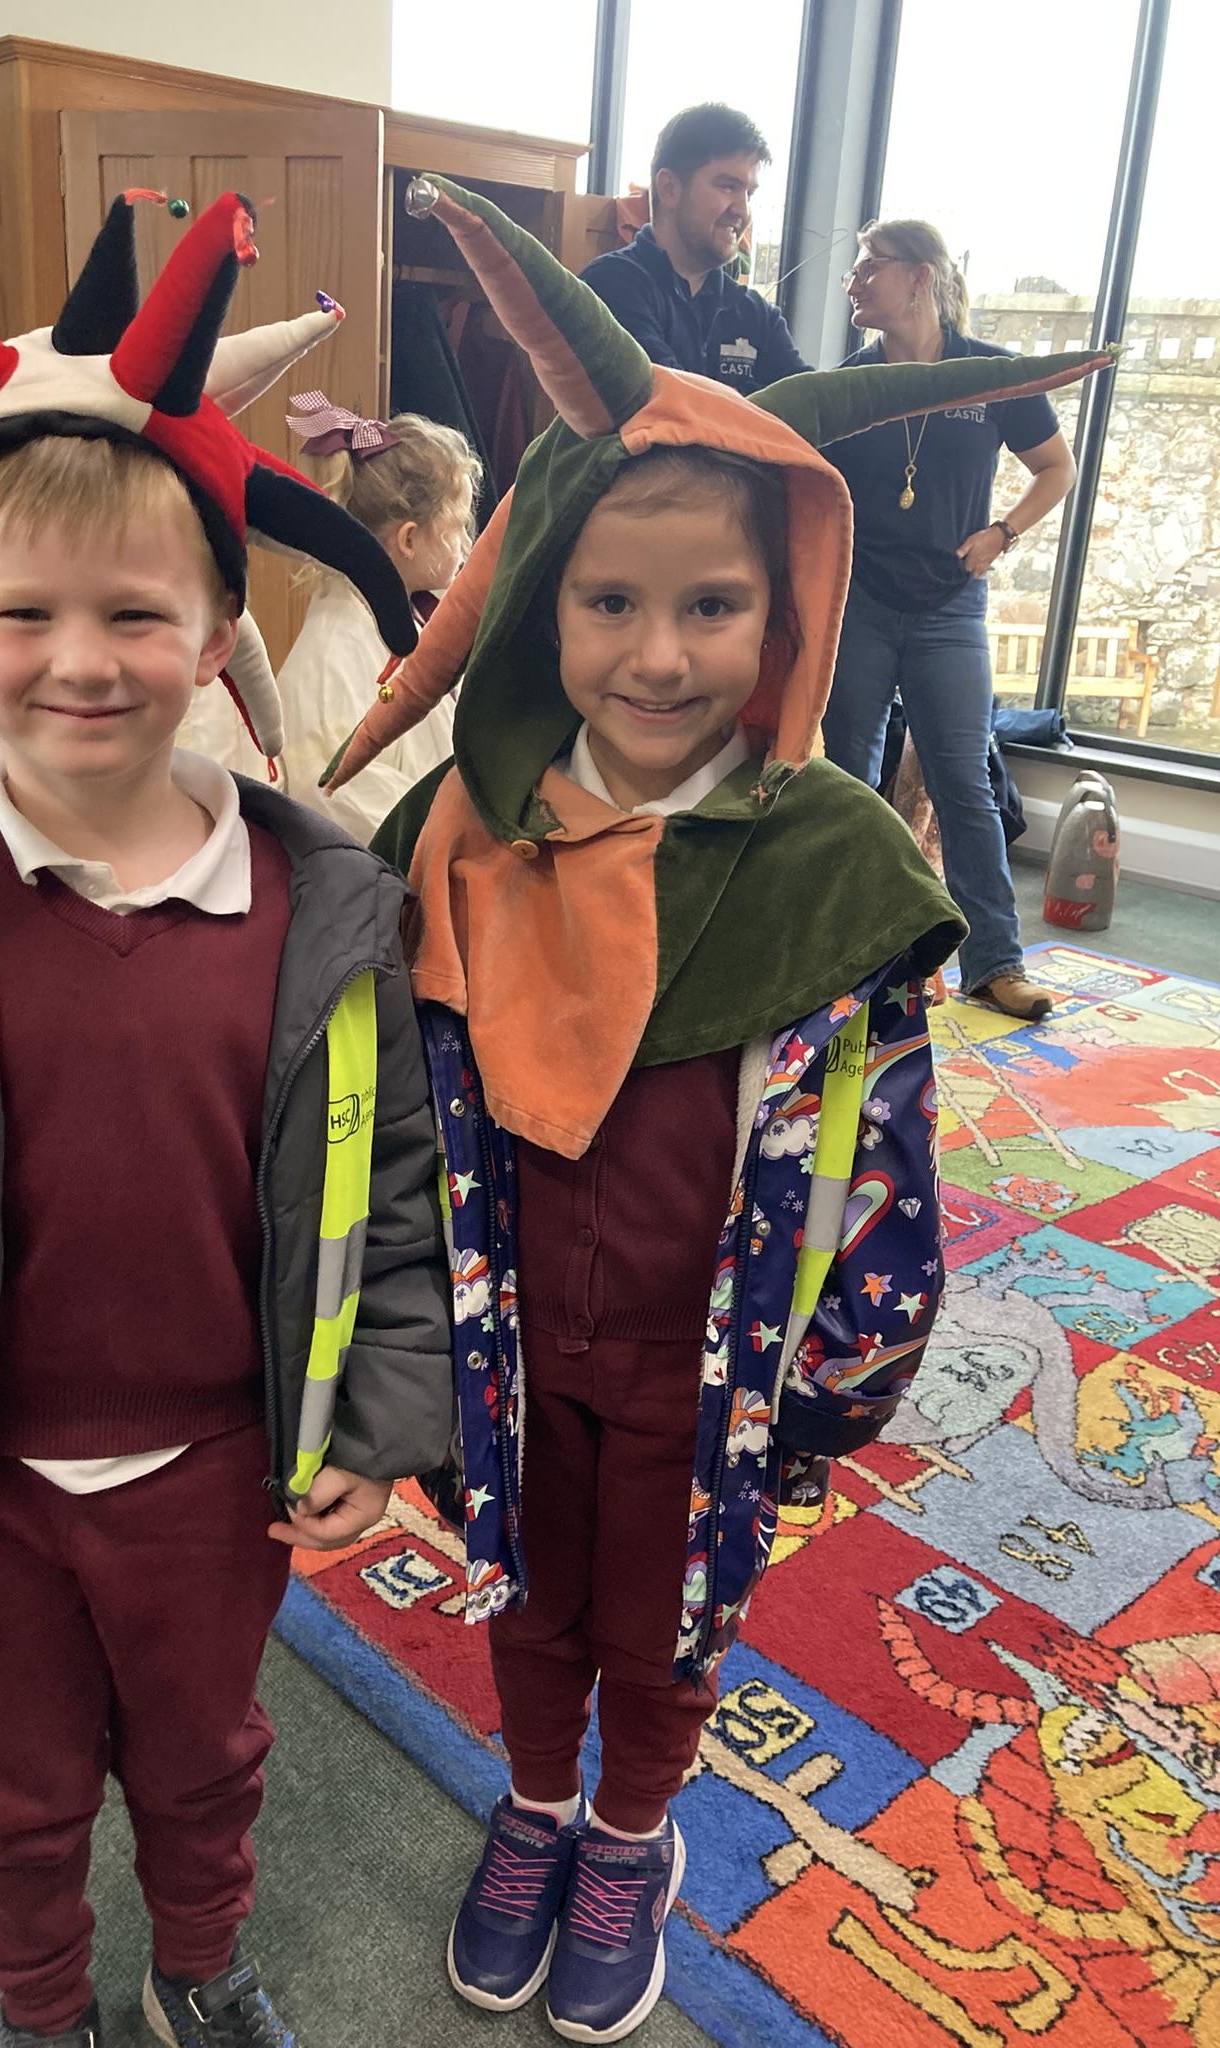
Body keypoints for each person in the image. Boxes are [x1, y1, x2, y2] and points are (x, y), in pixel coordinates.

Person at [326, 177, 1107, 2044]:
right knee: (530, 1587)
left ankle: (630, 1828)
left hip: (714, 1345)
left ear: (788, 611)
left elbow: (884, 1147)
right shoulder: (458, 831)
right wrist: (390, 1336)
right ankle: (535, 1801)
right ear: (542, 599)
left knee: (668, 1610)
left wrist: (841, 1371)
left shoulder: (835, 853)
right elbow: (373, 1106)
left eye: (713, 606)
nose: (660, 655)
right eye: (609, 601)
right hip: (516, 1334)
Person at [0, 193, 451, 2048]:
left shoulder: (326, 908)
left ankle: (198, 1965)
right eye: (24, 612)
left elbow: (396, 1188)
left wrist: (380, 1420)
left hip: (220, 1465)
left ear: (218, 628)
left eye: (136, 611)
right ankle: (44, 2010)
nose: (84, 658)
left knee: (208, 1758)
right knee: (12, 1792)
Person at [820, 219, 1079, 1021]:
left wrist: (1003, 533)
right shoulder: (850, 386)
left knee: (966, 787)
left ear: (920, 277)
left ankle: (996, 964)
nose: (854, 281)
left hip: (950, 610)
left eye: (871, 266)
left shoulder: (990, 375)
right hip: (861, 605)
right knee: (845, 783)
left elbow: (1056, 468)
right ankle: (840, 959)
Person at [277, 397, 481, 841]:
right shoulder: (333, 656)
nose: (467, 544)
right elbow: (336, 796)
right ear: (409, 540)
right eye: (458, 527)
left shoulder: (408, 616)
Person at [581, 102, 810, 391]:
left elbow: (808, 405)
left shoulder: (756, 314)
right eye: (728, 186)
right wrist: (757, 402)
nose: (742, 211)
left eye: (749, 194)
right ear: (669, 188)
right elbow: (669, 399)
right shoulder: (609, 284)